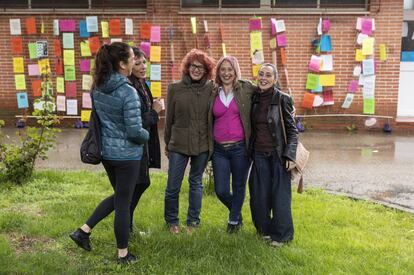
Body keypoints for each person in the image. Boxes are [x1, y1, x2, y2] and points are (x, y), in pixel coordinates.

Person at [69, 42, 149, 263]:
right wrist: (146, 135)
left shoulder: (98, 87)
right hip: (127, 156)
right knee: (123, 203)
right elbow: (134, 131)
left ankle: (83, 231)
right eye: (133, 58)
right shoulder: (128, 93)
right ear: (122, 64)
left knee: (119, 197)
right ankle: (123, 254)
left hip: (107, 155)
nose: (135, 62)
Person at [164, 49, 215, 234]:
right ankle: (172, 221)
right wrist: (167, 143)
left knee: (196, 183)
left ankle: (193, 222)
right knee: (173, 185)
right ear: (187, 67)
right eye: (193, 66)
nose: (196, 70)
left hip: (202, 144)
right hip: (178, 144)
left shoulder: (212, 89)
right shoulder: (175, 88)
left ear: (206, 70)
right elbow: (169, 119)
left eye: (201, 67)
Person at [248, 63, 298, 247]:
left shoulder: (283, 99)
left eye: (268, 75)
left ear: (275, 79)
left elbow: (293, 131)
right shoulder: (254, 98)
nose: (263, 78)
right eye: (261, 74)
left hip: (278, 155)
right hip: (259, 154)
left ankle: (283, 235)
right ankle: (265, 230)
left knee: (280, 196)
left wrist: (290, 155)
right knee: (258, 196)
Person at [208, 56, 254, 233]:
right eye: (223, 69)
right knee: (221, 190)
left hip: (240, 148)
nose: (226, 73)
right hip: (219, 150)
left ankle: (233, 221)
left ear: (235, 71)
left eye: (230, 69)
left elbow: (267, 91)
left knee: (239, 186)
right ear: (218, 72)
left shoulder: (246, 88)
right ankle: (237, 212)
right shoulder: (213, 91)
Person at [128, 47, 162, 233]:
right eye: (138, 63)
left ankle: (128, 225)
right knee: (135, 186)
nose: (143, 66)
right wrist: (155, 111)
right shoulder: (130, 87)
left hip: (144, 144)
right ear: (129, 65)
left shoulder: (142, 84)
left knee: (141, 183)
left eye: (144, 62)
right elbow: (137, 122)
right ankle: (126, 226)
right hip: (134, 146)